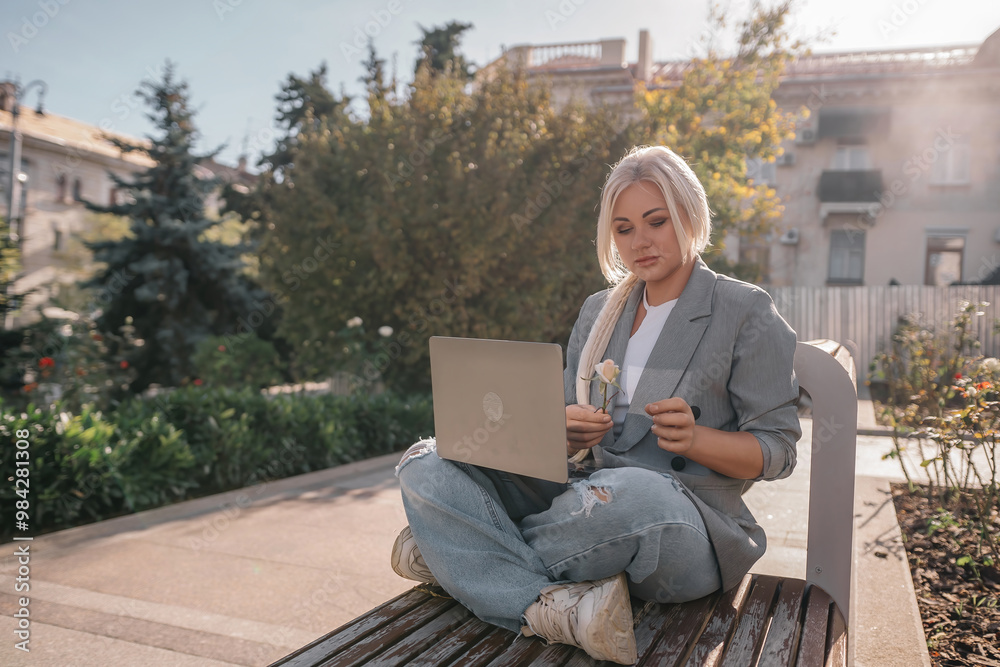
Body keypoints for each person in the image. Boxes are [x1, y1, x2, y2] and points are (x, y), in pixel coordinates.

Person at [392, 145, 801, 664]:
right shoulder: (598, 311)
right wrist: (561, 429)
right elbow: (563, 435)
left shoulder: (744, 310)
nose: (640, 242)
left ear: (689, 215)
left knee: (632, 493)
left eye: (657, 221)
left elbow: (779, 450)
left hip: (681, 525)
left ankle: (454, 554)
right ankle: (534, 599)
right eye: (624, 228)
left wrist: (699, 440)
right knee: (427, 462)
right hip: (580, 497)